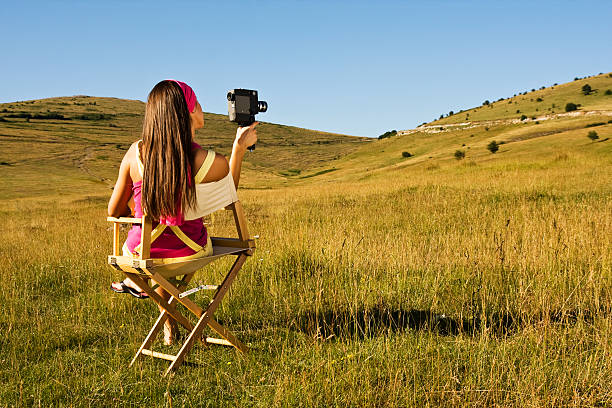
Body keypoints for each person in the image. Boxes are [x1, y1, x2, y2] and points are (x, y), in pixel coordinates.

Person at [107, 80, 257, 344]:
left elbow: (114, 209)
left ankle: (168, 325)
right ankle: (174, 322)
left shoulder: (135, 153)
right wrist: (239, 149)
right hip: (189, 251)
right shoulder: (208, 161)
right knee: (176, 244)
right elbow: (229, 193)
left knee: (159, 253)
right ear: (186, 112)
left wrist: (147, 205)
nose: (202, 107)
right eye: (197, 102)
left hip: (139, 255)